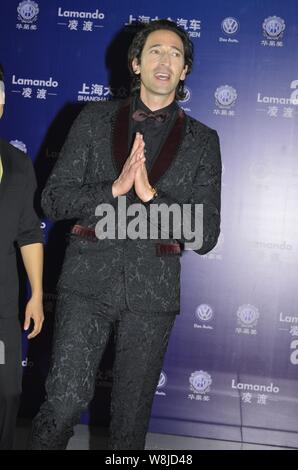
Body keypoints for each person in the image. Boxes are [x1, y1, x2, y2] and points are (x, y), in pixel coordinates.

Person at [29, 19, 221, 450]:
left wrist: (150, 195)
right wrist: (113, 189)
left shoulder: (204, 141)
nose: (165, 60)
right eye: (155, 50)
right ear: (136, 63)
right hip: (85, 287)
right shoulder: (92, 120)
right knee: (61, 404)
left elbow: (206, 233)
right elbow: (54, 201)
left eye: (175, 53)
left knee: (128, 428)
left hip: (152, 299)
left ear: (185, 69)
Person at [0, 65, 44, 450]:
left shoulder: (17, 164)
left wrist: (35, 293)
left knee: (7, 395)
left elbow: (29, 232)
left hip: (2, 309)